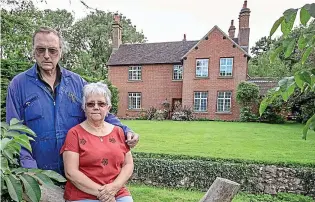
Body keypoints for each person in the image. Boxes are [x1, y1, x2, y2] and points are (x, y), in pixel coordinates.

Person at [6, 26, 139, 175]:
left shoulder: (77, 83)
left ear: (61, 52)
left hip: (78, 172)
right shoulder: (18, 85)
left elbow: (99, 111)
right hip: (38, 175)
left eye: (53, 50)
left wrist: (126, 131)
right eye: (40, 50)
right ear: (33, 51)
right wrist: (30, 171)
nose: (47, 55)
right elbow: (14, 131)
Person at [61, 82, 133, 202]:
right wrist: (105, 195)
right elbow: (71, 172)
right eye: (90, 104)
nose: (96, 107)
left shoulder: (118, 132)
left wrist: (114, 188)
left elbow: (128, 164)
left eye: (101, 104)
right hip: (83, 194)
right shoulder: (74, 134)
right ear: (84, 108)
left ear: (108, 108)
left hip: (116, 191)